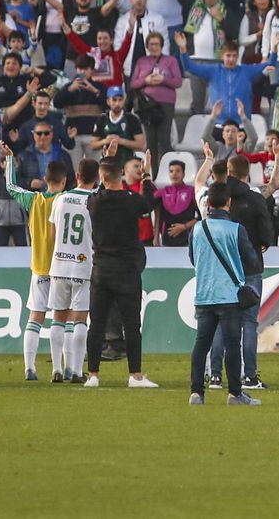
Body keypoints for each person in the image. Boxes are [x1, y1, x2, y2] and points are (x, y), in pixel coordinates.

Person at [188, 180, 263, 406]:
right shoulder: (236, 229)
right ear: (229, 203)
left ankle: (196, 393)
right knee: (232, 345)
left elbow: (192, 257)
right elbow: (251, 260)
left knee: (201, 345)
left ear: (208, 202)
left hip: (204, 294)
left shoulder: (197, 229)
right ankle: (235, 393)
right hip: (229, 296)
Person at [83, 159, 157, 389]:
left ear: (102, 178)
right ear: (120, 176)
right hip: (127, 270)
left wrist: (107, 157)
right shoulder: (131, 201)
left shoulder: (94, 202)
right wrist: (145, 176)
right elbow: (148, 204)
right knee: (131, 325)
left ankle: (93, 374)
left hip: (101, 270)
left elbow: (94, 192)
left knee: (96, 324)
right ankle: (135, 375)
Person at [2, 147, 68, 381]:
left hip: (39, 266)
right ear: (64, 180)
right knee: (63, 318)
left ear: (44, 180)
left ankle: (29, 368)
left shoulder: (33, 199)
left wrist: (10, 158)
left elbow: (10, 187)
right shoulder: (66, 200)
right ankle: (60, 368)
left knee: (35, 316)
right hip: (62, 267)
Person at [47, 158, 97, 383]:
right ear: (95, 178)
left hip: (59, 263)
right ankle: (76, 371)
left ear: (76, 175)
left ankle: (56, 369)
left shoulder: (61, 198)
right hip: (83, 265)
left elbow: (51, 234)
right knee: (79, 320)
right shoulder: (94, 200)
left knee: (58, 318)